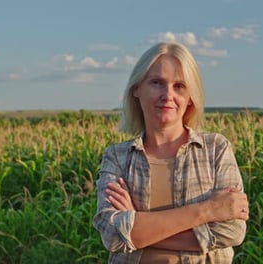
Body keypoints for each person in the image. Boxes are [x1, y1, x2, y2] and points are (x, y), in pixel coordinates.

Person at [93, 42, 249, 263]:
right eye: (157, 83)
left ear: (191, 97)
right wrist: (208, 210)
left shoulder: (216, 149)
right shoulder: (117, 157)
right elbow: (112, 235)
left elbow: (231, 231)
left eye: (179, 86)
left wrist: (138, 229)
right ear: (136, 89)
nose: (168, 95)